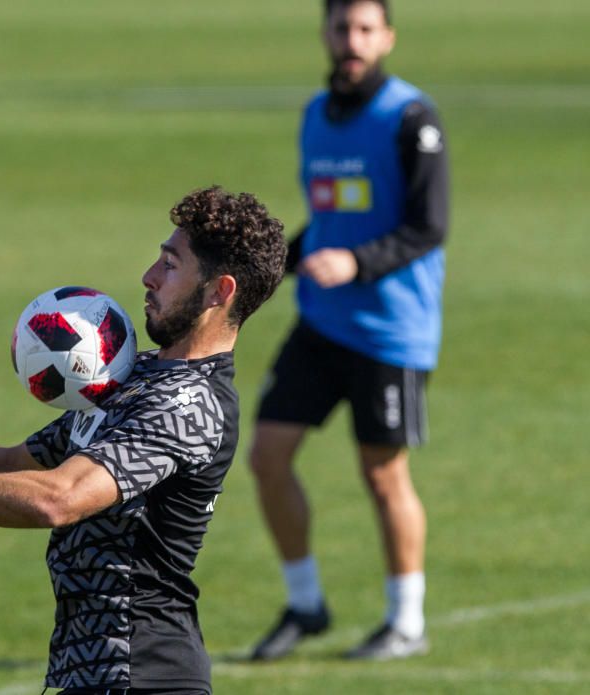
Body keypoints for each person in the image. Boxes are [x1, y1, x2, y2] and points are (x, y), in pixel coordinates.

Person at [0, 186, 287, 694]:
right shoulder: (140, 375)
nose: (148, 276)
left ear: (220, 292)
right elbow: (18, 461)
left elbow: (57, 498)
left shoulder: (188, 407)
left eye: (170, 265)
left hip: (143, 673)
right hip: (100, 674)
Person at [247, 0, 449, 662]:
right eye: (342, 27)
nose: (352, 40)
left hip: (390, 329)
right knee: (266, 455)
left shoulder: (410, 119)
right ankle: (305, 604)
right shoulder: (315, 115)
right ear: (326, 34)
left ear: (387, 36)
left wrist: (356, 262)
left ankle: (407, 620)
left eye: (366, 29)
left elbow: (429, 225)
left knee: (383, 474)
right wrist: (268, 272)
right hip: (321, 321)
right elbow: (327, 219)